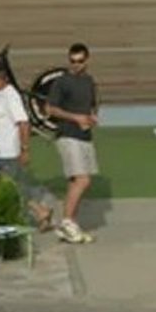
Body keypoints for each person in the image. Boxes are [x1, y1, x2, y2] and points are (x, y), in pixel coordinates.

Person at [0, 64, 54, 231]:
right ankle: (40, 212)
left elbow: (23, 123)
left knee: (12, 188)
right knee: (13, 186)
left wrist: (24, 149)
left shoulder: (11, 96)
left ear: (0, 79)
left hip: (7, 152)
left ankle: (39, 213)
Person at [46, 43, 99, 245]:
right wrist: (75, 118)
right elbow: (51, 109)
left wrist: (92, 117)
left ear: (87, 60)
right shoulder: (62, 82)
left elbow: (91, 106)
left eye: (80, 61)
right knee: (82, 180)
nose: (76, 64)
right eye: (72, 61)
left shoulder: (89, 81)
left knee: (75, 181)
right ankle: (68, 221)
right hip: (68, 135)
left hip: (84, 136)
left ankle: (68, 224)